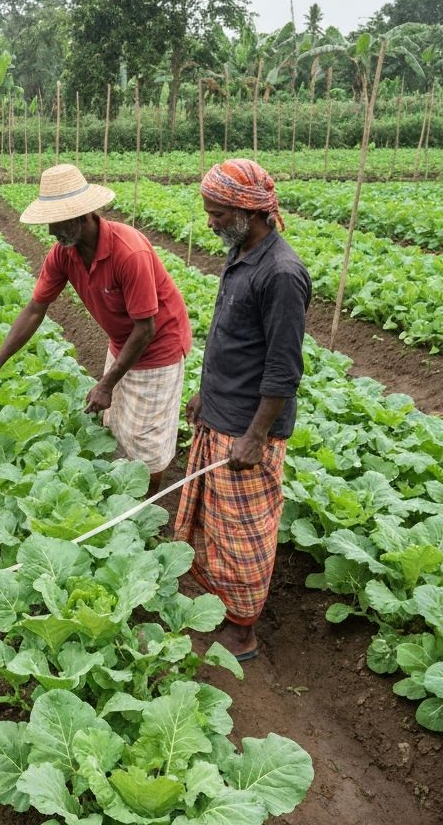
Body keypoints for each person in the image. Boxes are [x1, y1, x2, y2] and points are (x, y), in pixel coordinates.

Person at [0, 164, 193, 487]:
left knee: (146, 443)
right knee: (116, 429)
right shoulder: (64, 253)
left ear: (83, 216)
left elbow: (146, 329)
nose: (49, 232)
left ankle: (144, 511)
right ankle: (121, 495)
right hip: (123, 342)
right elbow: (35, 309)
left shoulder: (129, 252)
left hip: (159, 347)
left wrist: (106, 383)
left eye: (56, 221)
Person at [174, 158, 311, 661]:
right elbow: (235, 342)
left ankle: (242, 631)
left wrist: (255, 436)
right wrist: (206, 395)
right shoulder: (242, 253)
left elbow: (282, 369)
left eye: (215, 212)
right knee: (215, 526)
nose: (208, 221)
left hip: (247, 430)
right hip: (221, 414)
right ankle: (219, 604)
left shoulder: (281, 273)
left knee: (245, 536)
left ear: (246, 212)